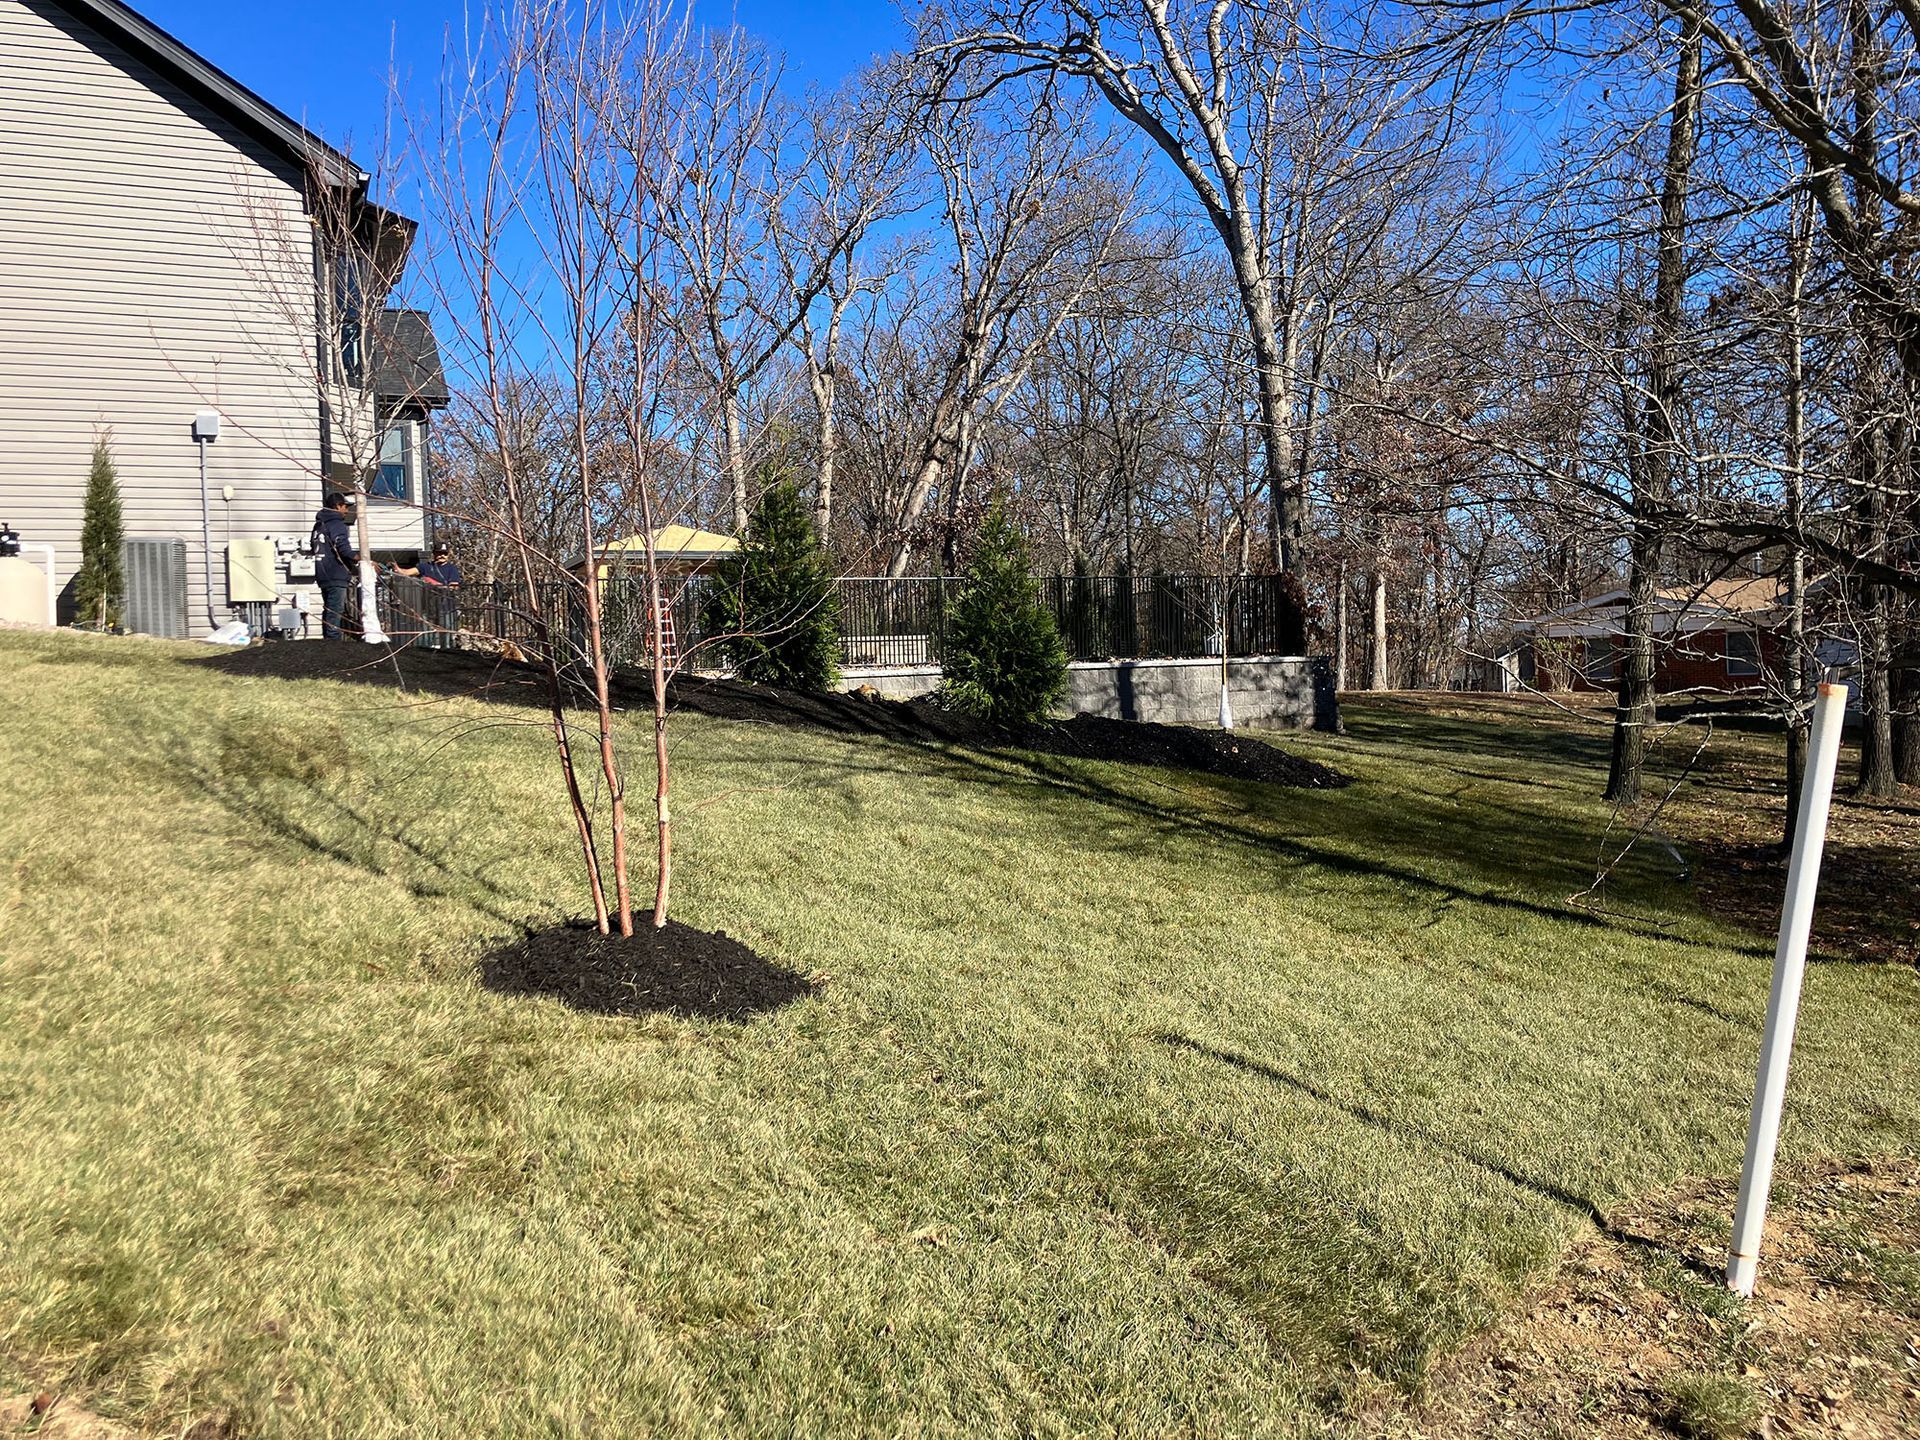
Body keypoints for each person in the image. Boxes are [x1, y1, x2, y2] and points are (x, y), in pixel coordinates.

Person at [310, 492, 358, 640]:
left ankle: (328, 641)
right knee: (335, 611)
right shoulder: (337, 524)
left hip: (322, 573)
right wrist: (360, 558)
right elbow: (342, 546)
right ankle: (332, 643)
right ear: (337, 506)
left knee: (329, 609)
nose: (347, 510)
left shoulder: (318, 525)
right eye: (345, 507)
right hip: (335, 573)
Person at [416, 541, 462, 648]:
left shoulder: (452, 569)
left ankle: (447, 653)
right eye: (439, 553)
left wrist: (433, 583)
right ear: (434, 553)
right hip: (428, 606)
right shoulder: (425, 567)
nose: (442, 555)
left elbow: (453, 587)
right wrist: (396, 569)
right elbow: (407, 572)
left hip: (446, 607)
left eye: (444, 553)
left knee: (446, 634)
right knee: (426, 635)